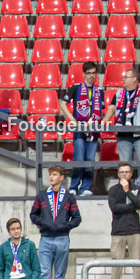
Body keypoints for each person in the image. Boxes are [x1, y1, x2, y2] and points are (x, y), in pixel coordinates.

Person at [102, 67, 140, 190]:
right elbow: (112, 108)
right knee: (125, 164)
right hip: (123, 134)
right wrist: (105, 119)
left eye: (126, 77)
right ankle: (126, 188)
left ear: (134, 79)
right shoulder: (119, 93)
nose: (123, 79)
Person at [30, 166, 82, 279]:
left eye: (54, 174)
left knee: (59, 274)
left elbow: (77, 218)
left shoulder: (69, 197)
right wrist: (43, 223)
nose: (51, 177)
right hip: (45, 239)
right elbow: (33, 215)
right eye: (50, 175)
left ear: (61, 177)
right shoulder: (41, 196)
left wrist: (64, 226)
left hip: (62, 238)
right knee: (44, 274)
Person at [60, 62, 104, 196]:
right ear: (84, 74)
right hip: (79, 129)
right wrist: (73, 121)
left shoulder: (99, 90)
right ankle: (74, 186)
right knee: (79, 157)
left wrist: (93, 120)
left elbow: (100, 110)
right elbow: (63, 104)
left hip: (93, 129)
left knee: (90, 159)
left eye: (93, 73)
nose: (91, 76)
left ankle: (85, 188)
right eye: (89, 73)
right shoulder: (76, 88)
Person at [105, 162, 140, 279]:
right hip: (118, 232)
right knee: (117, 265)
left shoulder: (138, 189)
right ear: (118, 174)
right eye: (121, 172)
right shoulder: (113, 190)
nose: (124, 174)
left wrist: (127, 191)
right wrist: (132, 207)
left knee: (138, 264)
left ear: (131, 174)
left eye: (126, 172)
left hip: (135, 231)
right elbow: (115, 208)